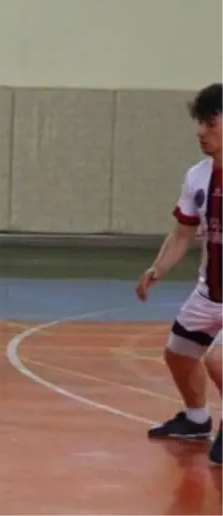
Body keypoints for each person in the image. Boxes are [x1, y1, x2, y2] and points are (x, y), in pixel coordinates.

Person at [139, 83, 223, 462]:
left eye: (210, 122)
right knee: (179, 353)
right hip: (211, 291)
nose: (200, 131)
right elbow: (183, 232)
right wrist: (158, 268)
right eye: (199, 123)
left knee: (217, 360)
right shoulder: (198, 176)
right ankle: (196, 418)